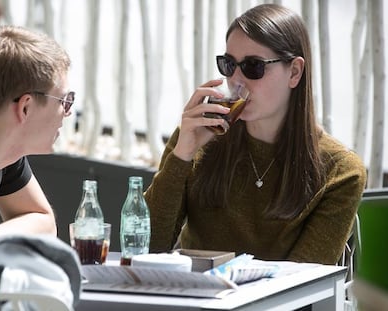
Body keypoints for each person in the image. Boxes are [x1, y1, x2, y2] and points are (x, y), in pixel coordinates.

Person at [145, 3, 367, 265]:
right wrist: (181, 156)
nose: (236, 80)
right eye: (228, 65)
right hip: (191, 301)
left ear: (294, 72)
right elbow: (147, 248)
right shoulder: (198, 137)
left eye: (253, 66)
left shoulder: (341, 171)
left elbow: (303, 284)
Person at [0, 25, 74, 237]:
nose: (68, 112)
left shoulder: (4, 149)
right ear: (25, 107)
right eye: (64, 101)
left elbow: (43, 223)